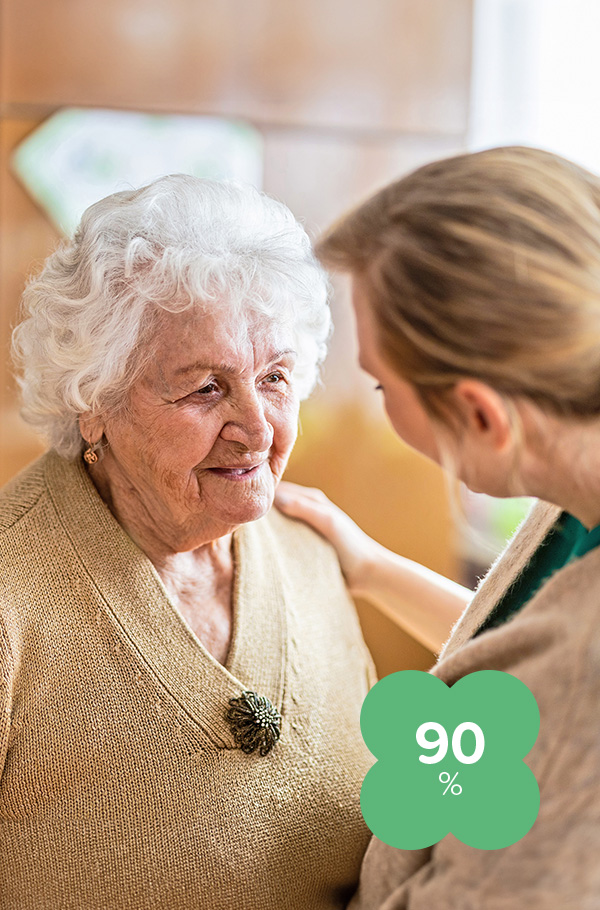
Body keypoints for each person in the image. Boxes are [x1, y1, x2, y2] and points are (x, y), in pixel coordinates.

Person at [0, 175, 376, 910]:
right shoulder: (15, 593)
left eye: (274, 377)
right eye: (206, 387)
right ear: (93, 403)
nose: (259, 429)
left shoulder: (311, 556)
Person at [276, 146, 600, 908]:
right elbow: (527, 669)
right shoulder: (571, 493)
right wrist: (372, 569)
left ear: (481, 415)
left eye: (385, 385)